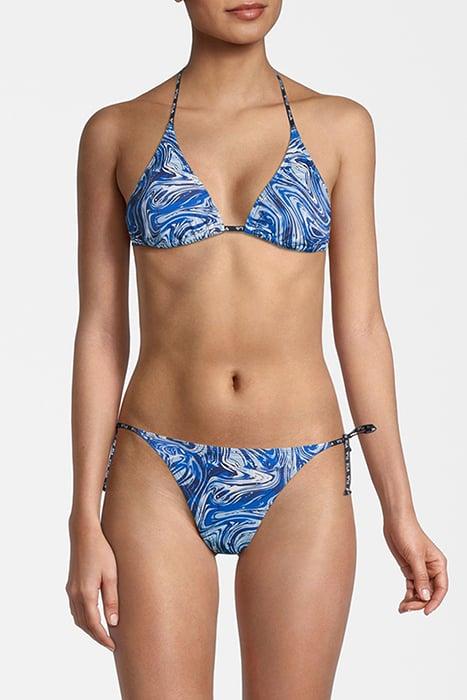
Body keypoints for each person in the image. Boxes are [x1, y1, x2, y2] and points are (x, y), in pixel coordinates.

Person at [66, 1, 448, 697]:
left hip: (302, 472)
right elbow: (99, 332)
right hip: (156, 468)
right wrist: (80, 519)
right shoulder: (116, 131)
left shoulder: (339, 126)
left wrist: (400, 509)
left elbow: (362, 326)